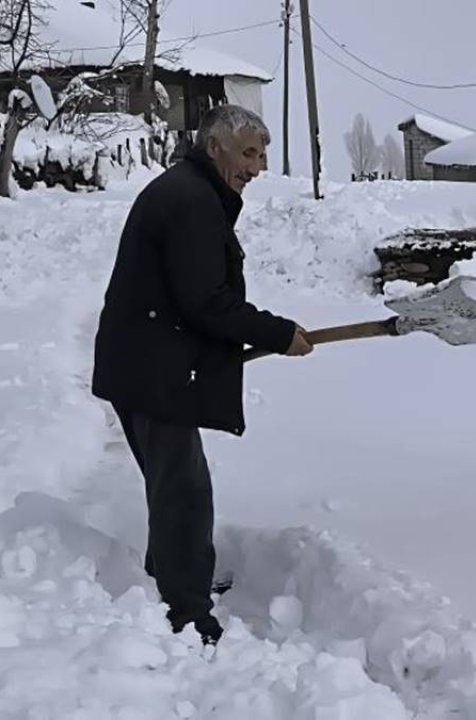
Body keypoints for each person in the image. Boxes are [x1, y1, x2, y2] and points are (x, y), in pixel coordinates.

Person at [91, 105, 314, 646]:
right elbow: (205, 302)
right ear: (214, 147)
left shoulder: (190, 191)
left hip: (146, 360)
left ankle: (173, 575)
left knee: (172, 486)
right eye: (247, 152)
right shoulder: (192, 202)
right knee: (185, 493)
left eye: (261, 154)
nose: (257, 167)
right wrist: (277, 333)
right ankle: (188, 611)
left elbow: (191, 296)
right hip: (153, 367)